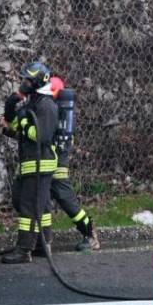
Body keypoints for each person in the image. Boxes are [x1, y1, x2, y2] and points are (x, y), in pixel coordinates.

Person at [0, 62, 58, 264]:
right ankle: (42, 244)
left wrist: (23, 122)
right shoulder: (33, 102)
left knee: (29, 206)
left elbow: (41, 136)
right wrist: (11, 106)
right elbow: (18, 128)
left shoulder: (46, 105)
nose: (24, 83)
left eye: (27, 80)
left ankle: (24, 250)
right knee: (37, 205)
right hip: (30, 163)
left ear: (37, 81)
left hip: (40, 165)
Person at [48, 76, 100, 251]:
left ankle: (90, 233)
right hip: (53, 157)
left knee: (65, 198)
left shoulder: (56, 109)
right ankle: (38, 240)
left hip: (56, 160)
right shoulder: (57, 108)